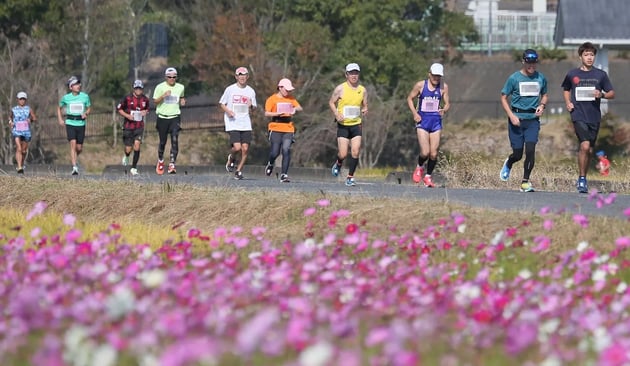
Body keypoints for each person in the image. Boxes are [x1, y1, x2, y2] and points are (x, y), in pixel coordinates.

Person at [561, 42, 615, 193]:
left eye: (592, 55)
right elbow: (566, 89)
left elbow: (612, 93)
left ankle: (585, 173)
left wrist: (602, 94)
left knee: (589, 150)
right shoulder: (573, 74)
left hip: (594, 117)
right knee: (584, 146)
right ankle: (582, 179)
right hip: (578, 114)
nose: (589, 57)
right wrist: (568, 102)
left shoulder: (600, 75)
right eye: (586, 54)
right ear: (580, 56)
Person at [499, 49, 548, 192]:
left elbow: (544, 95)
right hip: (516, 120)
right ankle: (509, 162)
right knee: (518, 154)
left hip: (532, 120)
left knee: (531, 150)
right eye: (528, 62)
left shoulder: (541, 78)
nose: (531, 65)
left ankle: (525, 182)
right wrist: (511, 116)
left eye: (534, 62)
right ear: (523, 62)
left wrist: (542, 105)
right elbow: (503, 97)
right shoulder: (514, 78)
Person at [406, 63, 450, 188]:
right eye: (434, 76)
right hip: (422, 121)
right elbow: (409, 98)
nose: (436, 78)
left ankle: (428, 177)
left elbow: (447, 103)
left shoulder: (443, 87)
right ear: (429, 74)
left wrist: (444, 110)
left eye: (438, 76)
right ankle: (419, 167)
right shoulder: (421, 85)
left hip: (436, 122)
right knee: (425, 152)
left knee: (434, 153)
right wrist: (415, 113)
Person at [329, 63, 368, 186]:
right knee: (343, 153)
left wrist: (365, 109)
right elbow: (331, 102)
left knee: (355, 151)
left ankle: (350, 177)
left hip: (356, 124)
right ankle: (339, 162)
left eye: (356, 73)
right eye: (351, 73)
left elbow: (365, 105)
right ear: (346, 75)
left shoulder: (363, 90)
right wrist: (336, 113)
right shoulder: (340, 89)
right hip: (343, 125)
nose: (354, 75)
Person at [219, 66, 257, 180]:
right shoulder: (230, 89)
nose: (242, 77)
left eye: (244, 75)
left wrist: (251, 106)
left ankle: (238, 170)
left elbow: (253, 108)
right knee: (237, 148)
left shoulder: (250, 91)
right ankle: (231, 157)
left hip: (245, 123)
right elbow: (222, 103)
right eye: (240, 75)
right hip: (233, 122)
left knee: (245, 149)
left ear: (247, 77)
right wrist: (228, 111)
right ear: (236, 77)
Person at [264, 78, 303, 183]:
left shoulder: (291, 99)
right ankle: (270, 163)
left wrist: (294, 110)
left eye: (289, 90)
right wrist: (277, 114)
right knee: (275, 152)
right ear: (280, 88)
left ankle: (284, 174)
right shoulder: (272, 99)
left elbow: (300, 107)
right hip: (275, 126)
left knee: (286, 149)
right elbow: (266, 113)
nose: (288, 92)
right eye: (286, 89)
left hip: (288, 128)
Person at [153, 67, 186, 175]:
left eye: (174, 77)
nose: (172, 79)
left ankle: (172, 164)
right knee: (163, 142)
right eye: (169, 77)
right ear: (165, 77)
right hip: (162, 117)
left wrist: (182, 101)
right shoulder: (160, 87)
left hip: (175, 117)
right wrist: (163, 96)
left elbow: (182, 97)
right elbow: (155, 102)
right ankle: (161, 160)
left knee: (175, 139)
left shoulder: (180, 87)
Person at [57, 76, 92, 175]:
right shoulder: (66, 98)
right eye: (76, 84)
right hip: (70, 123)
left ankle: (75, 159)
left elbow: (89, 107)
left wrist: (86, 113)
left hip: (81, 123)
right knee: (73, 143)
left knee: (79, 147)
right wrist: (60, 119)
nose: (78, 86)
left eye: (79, 84)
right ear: (71, 87)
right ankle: (74, 167)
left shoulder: (85, 96)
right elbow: (59, 107)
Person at [117, 79, 150, 176]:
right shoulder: (127, 98)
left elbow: (147, 109)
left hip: (139, 126)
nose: (138, 90)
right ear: (134, 89)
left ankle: (134, 167)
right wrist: (127, 116)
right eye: (137, 88)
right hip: (128, 126)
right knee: (128, 149)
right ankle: (127, 156)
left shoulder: (145, 99)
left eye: (140, 88)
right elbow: (119, 108)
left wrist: (145, 112)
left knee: (137, 146)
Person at [9, 91, 37, 174]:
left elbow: (34, 118)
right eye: (21, 99)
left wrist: (30, 119)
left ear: (26, 100)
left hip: (26, 131)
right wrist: (11, 122)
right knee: (19, 148)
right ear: (17, 99)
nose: (22, 101)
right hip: (17, 130)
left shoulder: (28, 109)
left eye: (24, 99)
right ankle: (19, 167)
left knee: (24, 151)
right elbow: (10, 117)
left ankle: (21, 163)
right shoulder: (14, 109)